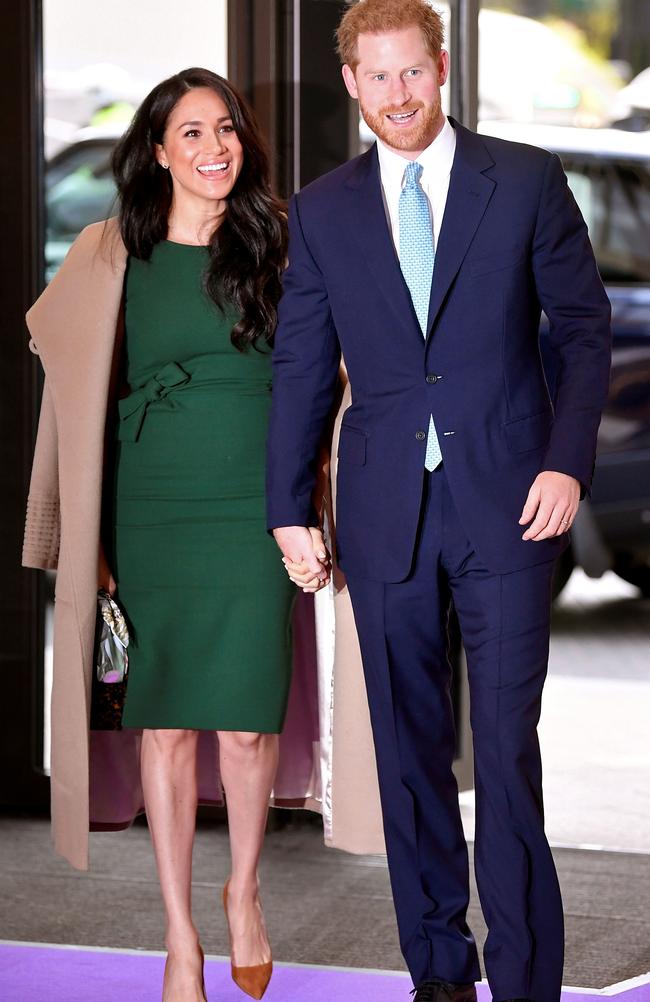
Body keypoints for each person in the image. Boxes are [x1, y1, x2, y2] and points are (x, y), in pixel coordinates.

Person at [267, 2, 612, 1001]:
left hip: (511, 505)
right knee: (407, 762)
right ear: (350, 85)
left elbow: (583, 329)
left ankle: (524, 985)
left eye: (410, 73)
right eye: (375, 78)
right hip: (382, 520)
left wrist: (564, 461)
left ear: (441, 67)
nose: (396, 95)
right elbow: (299, 365)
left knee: (502, 756)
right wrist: (288, 505)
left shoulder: (523, 179)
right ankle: (438, 976)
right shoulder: (324, 209)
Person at [23, 67, 324, 1002]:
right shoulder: (110, 251)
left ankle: (243, 895)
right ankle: (178, 936)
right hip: (151, 504)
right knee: (163, 727)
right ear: (157, 150)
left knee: (242, 723)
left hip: (255, 506)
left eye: (226, 129)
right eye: (189, 133)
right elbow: (68, 382)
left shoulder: (283, 244)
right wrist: (88, 538)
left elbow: (328, 376)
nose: (213, 149)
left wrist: (312, 505)